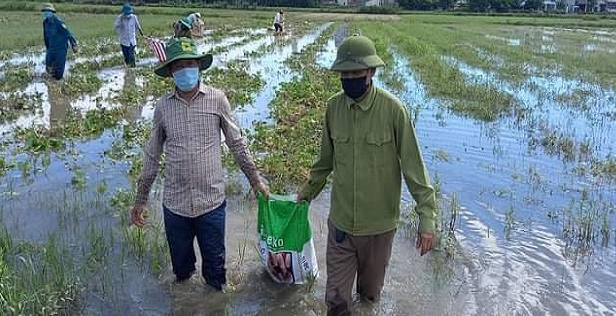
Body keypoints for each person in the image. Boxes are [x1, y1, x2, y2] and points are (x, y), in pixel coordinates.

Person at [297, 35, 438, 315]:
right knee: (336, 300)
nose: (349, 79)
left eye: (356, 73)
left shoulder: (393, 110)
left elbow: (414, 168)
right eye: (344, 73)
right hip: (341, 226)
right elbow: (324, 162)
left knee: (369, 297)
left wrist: (427, 219)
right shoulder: (333, 108)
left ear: (371, 72)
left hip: (378, 228)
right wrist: (304, 196)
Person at [131, 37, 270, 291]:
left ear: (199, 66)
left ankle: (215, 305)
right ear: (171, 72)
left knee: (216, 273)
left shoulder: (217, 99)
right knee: (182, 273)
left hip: (211, 204)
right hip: (175, 206)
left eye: (190, 63)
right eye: (178, 66)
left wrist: (256, 180)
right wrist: (141, 199)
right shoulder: (162, 107)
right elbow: (152, 156)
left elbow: (237, 144)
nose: (185, 70)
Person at [42, 3, 78, 80]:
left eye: (48, 11)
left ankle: (58, 84)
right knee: (49, 67)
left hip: (61, 49)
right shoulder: (45, 22)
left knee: (58, 71)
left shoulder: (58, 22)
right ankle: (50, 85)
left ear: (52, 12)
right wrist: (47, 46)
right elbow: (45, 35)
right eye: (45, 11)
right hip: (51, 48)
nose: (46, 13)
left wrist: (74, 45)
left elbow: (68, 33)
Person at [114, 3, 144, 68]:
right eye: (126, 13)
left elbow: (138, 27)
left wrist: (143, 35)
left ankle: (133, 69)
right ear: (124, 13)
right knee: (126, 57)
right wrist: (121, 21)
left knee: (131, 56)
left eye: (129, 13)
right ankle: (128, 69)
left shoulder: (134, 17)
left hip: (132, 41)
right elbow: (116, 26)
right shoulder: (120, 18)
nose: (128, 15)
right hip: (123, 41)